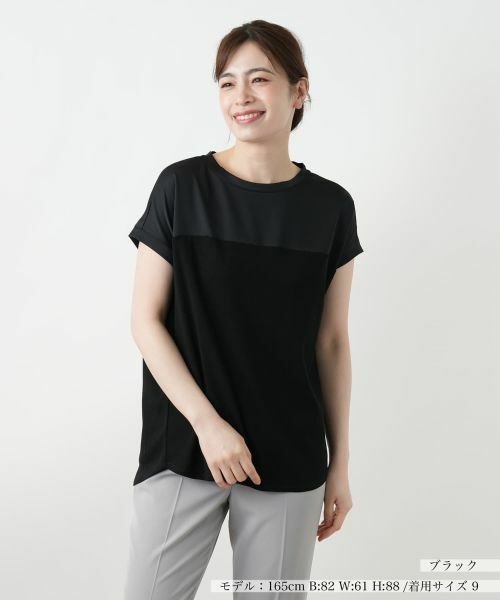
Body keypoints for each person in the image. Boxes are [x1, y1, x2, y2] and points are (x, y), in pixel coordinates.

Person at [124, 19, 364, 600]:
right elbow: (145, 321)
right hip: (186, 446)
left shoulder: (331, 207)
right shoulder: (181, 187)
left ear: (299, 91)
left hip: (290, 454)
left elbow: (331, 341)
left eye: (259, 79)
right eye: (228, 83)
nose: (241, 97)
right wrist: (209, 426)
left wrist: (339, 463)